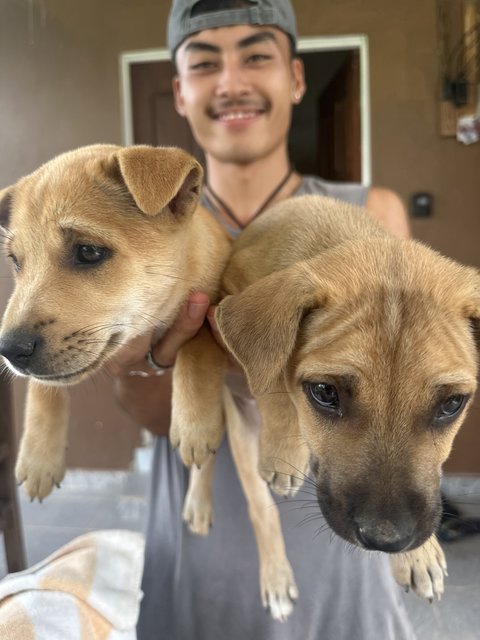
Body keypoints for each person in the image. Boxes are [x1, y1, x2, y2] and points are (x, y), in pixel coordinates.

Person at [108, 1, 416, 638]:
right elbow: (141, 408)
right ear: (181, 91)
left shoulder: (371, 213)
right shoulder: (147, 238)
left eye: (256, 56)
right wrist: (167, 360)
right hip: (200, 546)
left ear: (295, 79)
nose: (232, 83)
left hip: (343, 555)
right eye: (204, 63)